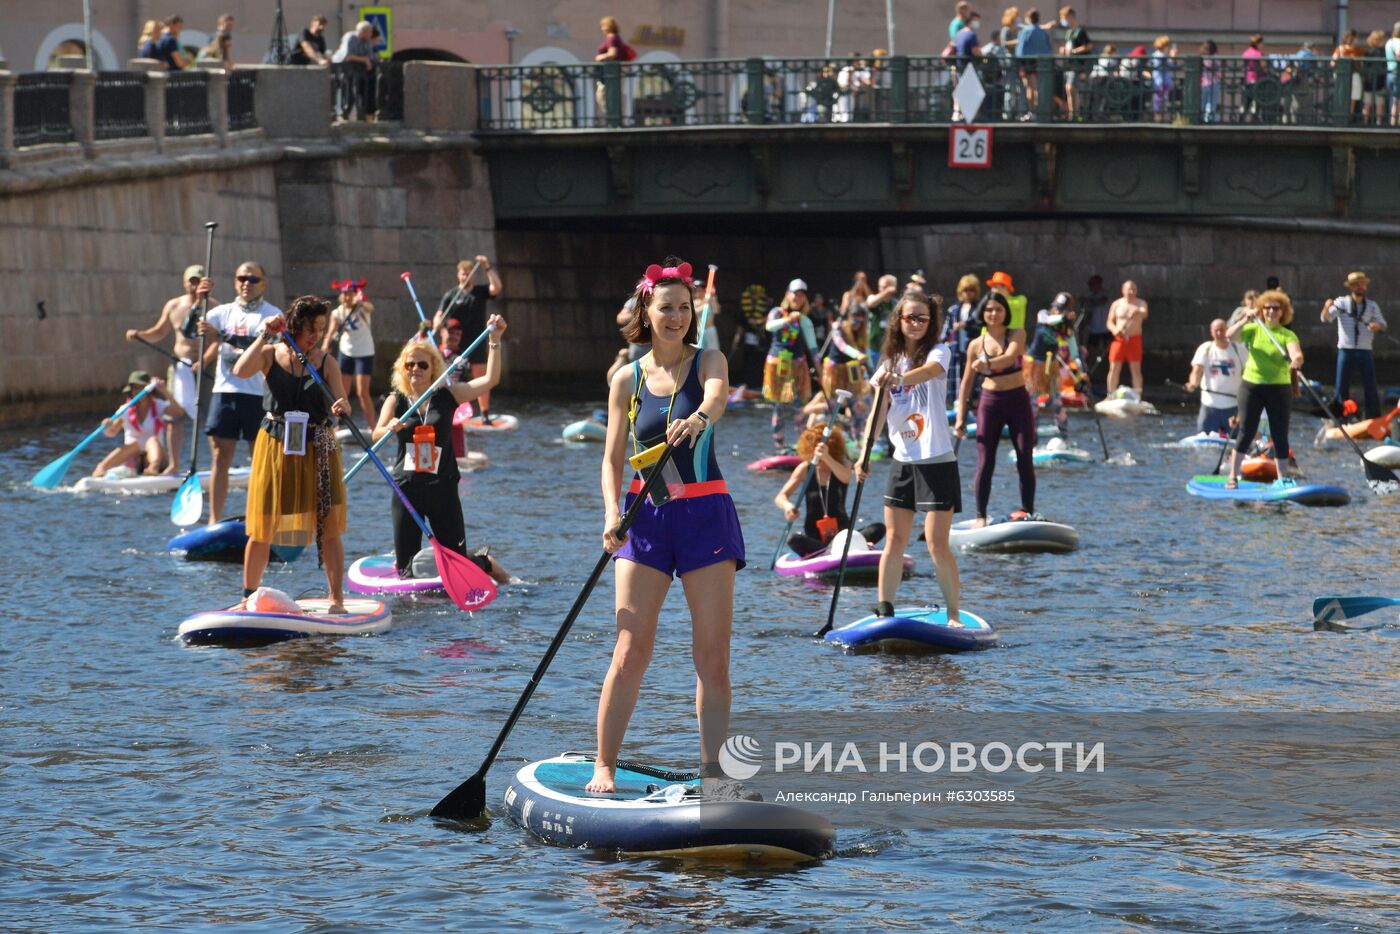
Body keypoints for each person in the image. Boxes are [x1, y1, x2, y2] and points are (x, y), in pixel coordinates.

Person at [591, 258, 741, 795]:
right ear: (646, 312)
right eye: (665, 307)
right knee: (631, 649)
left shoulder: (709, 361)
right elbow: (611, 460)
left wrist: (699, 417)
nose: (675, 316)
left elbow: (718, 397)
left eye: (683, 308)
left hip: (706, 516)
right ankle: (604, 765)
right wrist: (611, 515)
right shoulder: (625, 378)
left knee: (712, 656)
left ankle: (715, 774)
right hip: (644, 519)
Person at [231, 296, 350, 609]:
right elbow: (241, 370)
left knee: (329, 523)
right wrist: (264, 335)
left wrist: (342, 406)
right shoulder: (270, 353)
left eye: (321, 329)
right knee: (262, 525)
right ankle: (247, 597)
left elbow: (342, 402)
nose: (316, 335)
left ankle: (336, 598)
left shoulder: (326, 362)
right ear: (295, 326)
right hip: (275, 444)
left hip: (318, 446)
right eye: (311, 329)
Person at [372, 327, 511, 585]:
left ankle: (485, 563)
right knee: (405, 570)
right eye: (410, 364)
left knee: (457, 558)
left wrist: (494, 341)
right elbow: (375, 435)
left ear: (433, 368)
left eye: (422, 364)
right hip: (407, 489)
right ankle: (408, 564)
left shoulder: (449, 396)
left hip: (442, 487)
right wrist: (388, 427)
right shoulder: (396, 400)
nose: (415, 369)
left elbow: (490, 380)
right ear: (403, 368)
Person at [857, 291, 960, 621]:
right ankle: (885, 608)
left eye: (922, 318)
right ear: (898, 321)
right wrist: (863, 456)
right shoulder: (888, 363)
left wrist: (899, 379)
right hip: (902, 460)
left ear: (930, 324)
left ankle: (954, 613)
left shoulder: (938, 351)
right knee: (895, 538)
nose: (915, 323)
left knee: (935, 543)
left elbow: (929, 372)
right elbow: (876, 413)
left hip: (937, 460)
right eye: (909, 317)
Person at [198, 261, 282, 525]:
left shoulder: (272, 316)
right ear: (235, 281)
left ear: (263, 284)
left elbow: (260, 345)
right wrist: (197, 301)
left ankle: (257, 517)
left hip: (257, 394)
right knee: (220, 456)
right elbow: (191, 331)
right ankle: (214, 519)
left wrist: (221, 335)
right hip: (225, 391)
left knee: (259, 459)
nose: (247, 283)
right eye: (242, 278)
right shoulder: (221, 311)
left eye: (253, 279)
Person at [954, 291, 1035, 526]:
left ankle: (1027, 510)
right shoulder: (975, 345)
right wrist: (960, 418)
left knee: (1024, 457)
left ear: (1005, 313)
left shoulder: (1017, 334)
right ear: (983, 313)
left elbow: (1010, 358)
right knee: (985, 461)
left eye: (998, 309)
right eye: (989, 309)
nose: (993, 313)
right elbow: (966, 383)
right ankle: (980, 515)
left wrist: (986, 363)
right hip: (990, 403)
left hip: (1018, 401)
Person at [125, 264, 214, 471]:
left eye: (199, 281)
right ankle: (174, 465)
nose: (195, 285)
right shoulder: (174, 306)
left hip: (205, 367)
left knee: (211, 416)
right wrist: (140, 334)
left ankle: (217, 463)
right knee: (174, 416)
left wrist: (205, 361)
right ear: (184, 283)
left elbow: (217, 342)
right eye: (191, 281)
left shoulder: (215, 307)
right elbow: (158, 332)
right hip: (180, 367)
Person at [1224, 290, 1303, 489]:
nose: (1270, 312)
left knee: (1279, 434)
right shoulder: (1253, 329)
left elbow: (1297, 354)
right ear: (1261, 310)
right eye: (1266, 308)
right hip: (1252, 386)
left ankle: (1282, 479)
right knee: (1246, 431)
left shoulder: (1287, 334)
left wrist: (1295, 362)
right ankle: (1233, 476)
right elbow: (1229, 336)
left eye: (1275, 308)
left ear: (1282, 312)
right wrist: (1244, 319)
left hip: (1279, 388)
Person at [775, 424, 886, 557]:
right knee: (793, 539)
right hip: (815, 535)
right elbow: (781, 496)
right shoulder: (805, 469)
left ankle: (839, 548)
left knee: (879, 528)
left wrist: (827, 457)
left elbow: (846, 478)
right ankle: (828, 550)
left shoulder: (843, 464)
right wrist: (788, 507)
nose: (820, 460)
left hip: (843, 535)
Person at [433, 256, 504, 420]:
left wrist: (487, 267)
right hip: (456, 343)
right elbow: (439, 315)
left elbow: (496, 288)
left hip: (476, 340)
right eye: (463, 274)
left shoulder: (479, 291)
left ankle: (484, 414)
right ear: (458, 275)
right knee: (453, 377)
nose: (466, 277)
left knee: (480, 376)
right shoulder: (451, 294)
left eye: (469, 274)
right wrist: (436, 323)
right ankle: (454, 412)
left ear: (473, 276)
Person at [1321, 271, 1388, 418]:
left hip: (1365, 350)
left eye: (1362, 284)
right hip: (1346, 350)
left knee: (1370, 386)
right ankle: (1340, 415)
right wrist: (1326, 307)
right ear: (1351, 287)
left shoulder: (1371, 306)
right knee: (1341, 386)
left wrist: (1377, 326)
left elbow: (1383, 324)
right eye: (1357, 284)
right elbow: (1326, 318)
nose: (1360, 287)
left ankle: (1373, 416)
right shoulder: (1341, 303)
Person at [93, 372, 186, 477]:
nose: (138, 391)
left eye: (141, 388)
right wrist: (108, 425)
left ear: (149, 391)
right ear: (131, 391)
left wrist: (165, 392)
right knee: (133, 445)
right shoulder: (125, 409)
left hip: (157, 458)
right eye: (135, 388)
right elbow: (112, 432)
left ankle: (153, 467)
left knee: (152, 440)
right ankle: (101, 468)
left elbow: (179, 412)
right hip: (133, 460)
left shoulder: (158, 405)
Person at [763, 279, 820, 449]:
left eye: (801, 295)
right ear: (788, 294)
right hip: (778, 365)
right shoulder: (777, 312)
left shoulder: (805, 320)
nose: (798, 297)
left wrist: (821, 371)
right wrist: (788, 320)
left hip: (798, 367)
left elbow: (813, 348)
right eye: (795, 294)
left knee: (799, 406)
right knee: (778, 406)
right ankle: (779, 445)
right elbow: (769, 327)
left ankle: (802, 445)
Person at [323, 278, 376, 426]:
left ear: (356, 294)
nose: (347, 297)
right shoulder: (337, 313)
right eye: (345, 294)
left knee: (362, 392)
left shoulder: (363, 308)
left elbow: (371, 308)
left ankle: (373, 426)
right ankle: (340, 424)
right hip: (346, 352)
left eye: (351, 294)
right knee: (342, 392)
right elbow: (330, 332)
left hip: (364, 352)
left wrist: (361, 302)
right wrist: (325, 347)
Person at [1026, 291, 1079, 437]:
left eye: (1062, 309)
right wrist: (1063, 316)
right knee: (1033, 404)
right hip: (1035, 365)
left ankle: (1064, 438)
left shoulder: (1065, 327)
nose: (1057, 310)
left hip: (1051, 366)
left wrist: (1080, 369)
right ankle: (1032, 439)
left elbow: (1073, 350)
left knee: (1056, 403)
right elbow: (1047, 320)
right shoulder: (1043, 315)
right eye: (1057, 307)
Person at [1185, 318, 1246, 436]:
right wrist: (1193, 383)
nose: (1219, 333)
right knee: (1204, 440)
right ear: (1211, 332)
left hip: (1233, 406)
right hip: (1210, 405)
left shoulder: (1238, 349)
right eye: (1216, 330)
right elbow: (1197, 370)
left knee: (1236, 442)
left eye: (1222, 330)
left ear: (1227, 330)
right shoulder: (1205, 348)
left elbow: (1248, 372)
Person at [941, 274, 981, 403]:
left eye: (972, 290)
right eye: (966, 290)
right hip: (956, 348)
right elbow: (946, 330)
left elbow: (979, 324)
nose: (969, 293)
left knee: (974, 378)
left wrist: (966, 324)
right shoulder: (953, 309)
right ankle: (958, 403)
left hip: (973, 347)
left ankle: (972, 403)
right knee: (957, 377)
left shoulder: (979, 308)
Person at [1106, 279, 1148, 395]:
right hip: (1119, 339)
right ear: (1123, 290)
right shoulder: (1116, 304)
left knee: (1135, 369)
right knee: (1114, 368)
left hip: (1134, 339)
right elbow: (1109, 321)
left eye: (1133, 289)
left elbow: (1144, 313)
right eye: (1129, 289)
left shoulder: (1140, 303)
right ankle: (1111, 394)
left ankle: (1137, 395)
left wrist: (1137, 311)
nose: (1131, 291)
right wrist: (1115, 330)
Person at [332, 21, 376, 121]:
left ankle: (362, 115)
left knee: (360, 92)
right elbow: (348, 56)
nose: (371, 35)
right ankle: (341, 114)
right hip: (343, 70)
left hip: (357, 72)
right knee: (345, 93)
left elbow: (370, 56)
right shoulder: (351, 37)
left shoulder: (367, 40)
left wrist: (371, 60)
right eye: (369, 32)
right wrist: (365, 60)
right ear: (363, 31)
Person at [1060, 7, 1093, 118]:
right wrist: (1064, 51)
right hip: (1069, 64)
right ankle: (1072, 113)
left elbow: (1088, 46)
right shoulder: (1068, 32)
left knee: (1071, 87)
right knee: (1068, 89)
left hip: (1078, 64)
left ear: (1071, 17)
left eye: (1064, 18)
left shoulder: (1080, 31)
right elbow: (1068, 46)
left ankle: (1076, 113)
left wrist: (1073, 51)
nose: (1063, 20)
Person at [1080, 273, 1111, 362]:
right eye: (1090, 284)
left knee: (1110, 350)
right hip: (1095, 329)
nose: (1091, 286)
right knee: (1090, 351)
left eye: (1092, 284)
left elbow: (1102, 301)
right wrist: (1084, 325)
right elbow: (1089, 313)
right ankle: (1088, 369)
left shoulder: (1106, 293)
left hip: (1107, 328)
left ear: (1099, 284)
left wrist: (1086, 300)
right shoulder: (1091, 297)